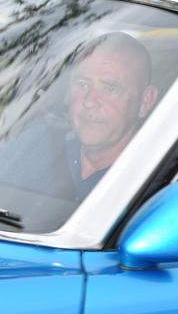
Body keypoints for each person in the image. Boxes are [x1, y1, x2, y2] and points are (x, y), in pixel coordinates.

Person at [1, 32, 158, 202]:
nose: (90, 101)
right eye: (82, 84)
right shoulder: (34, 145)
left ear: (145, 102)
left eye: (110, 88)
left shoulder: (152, 187)